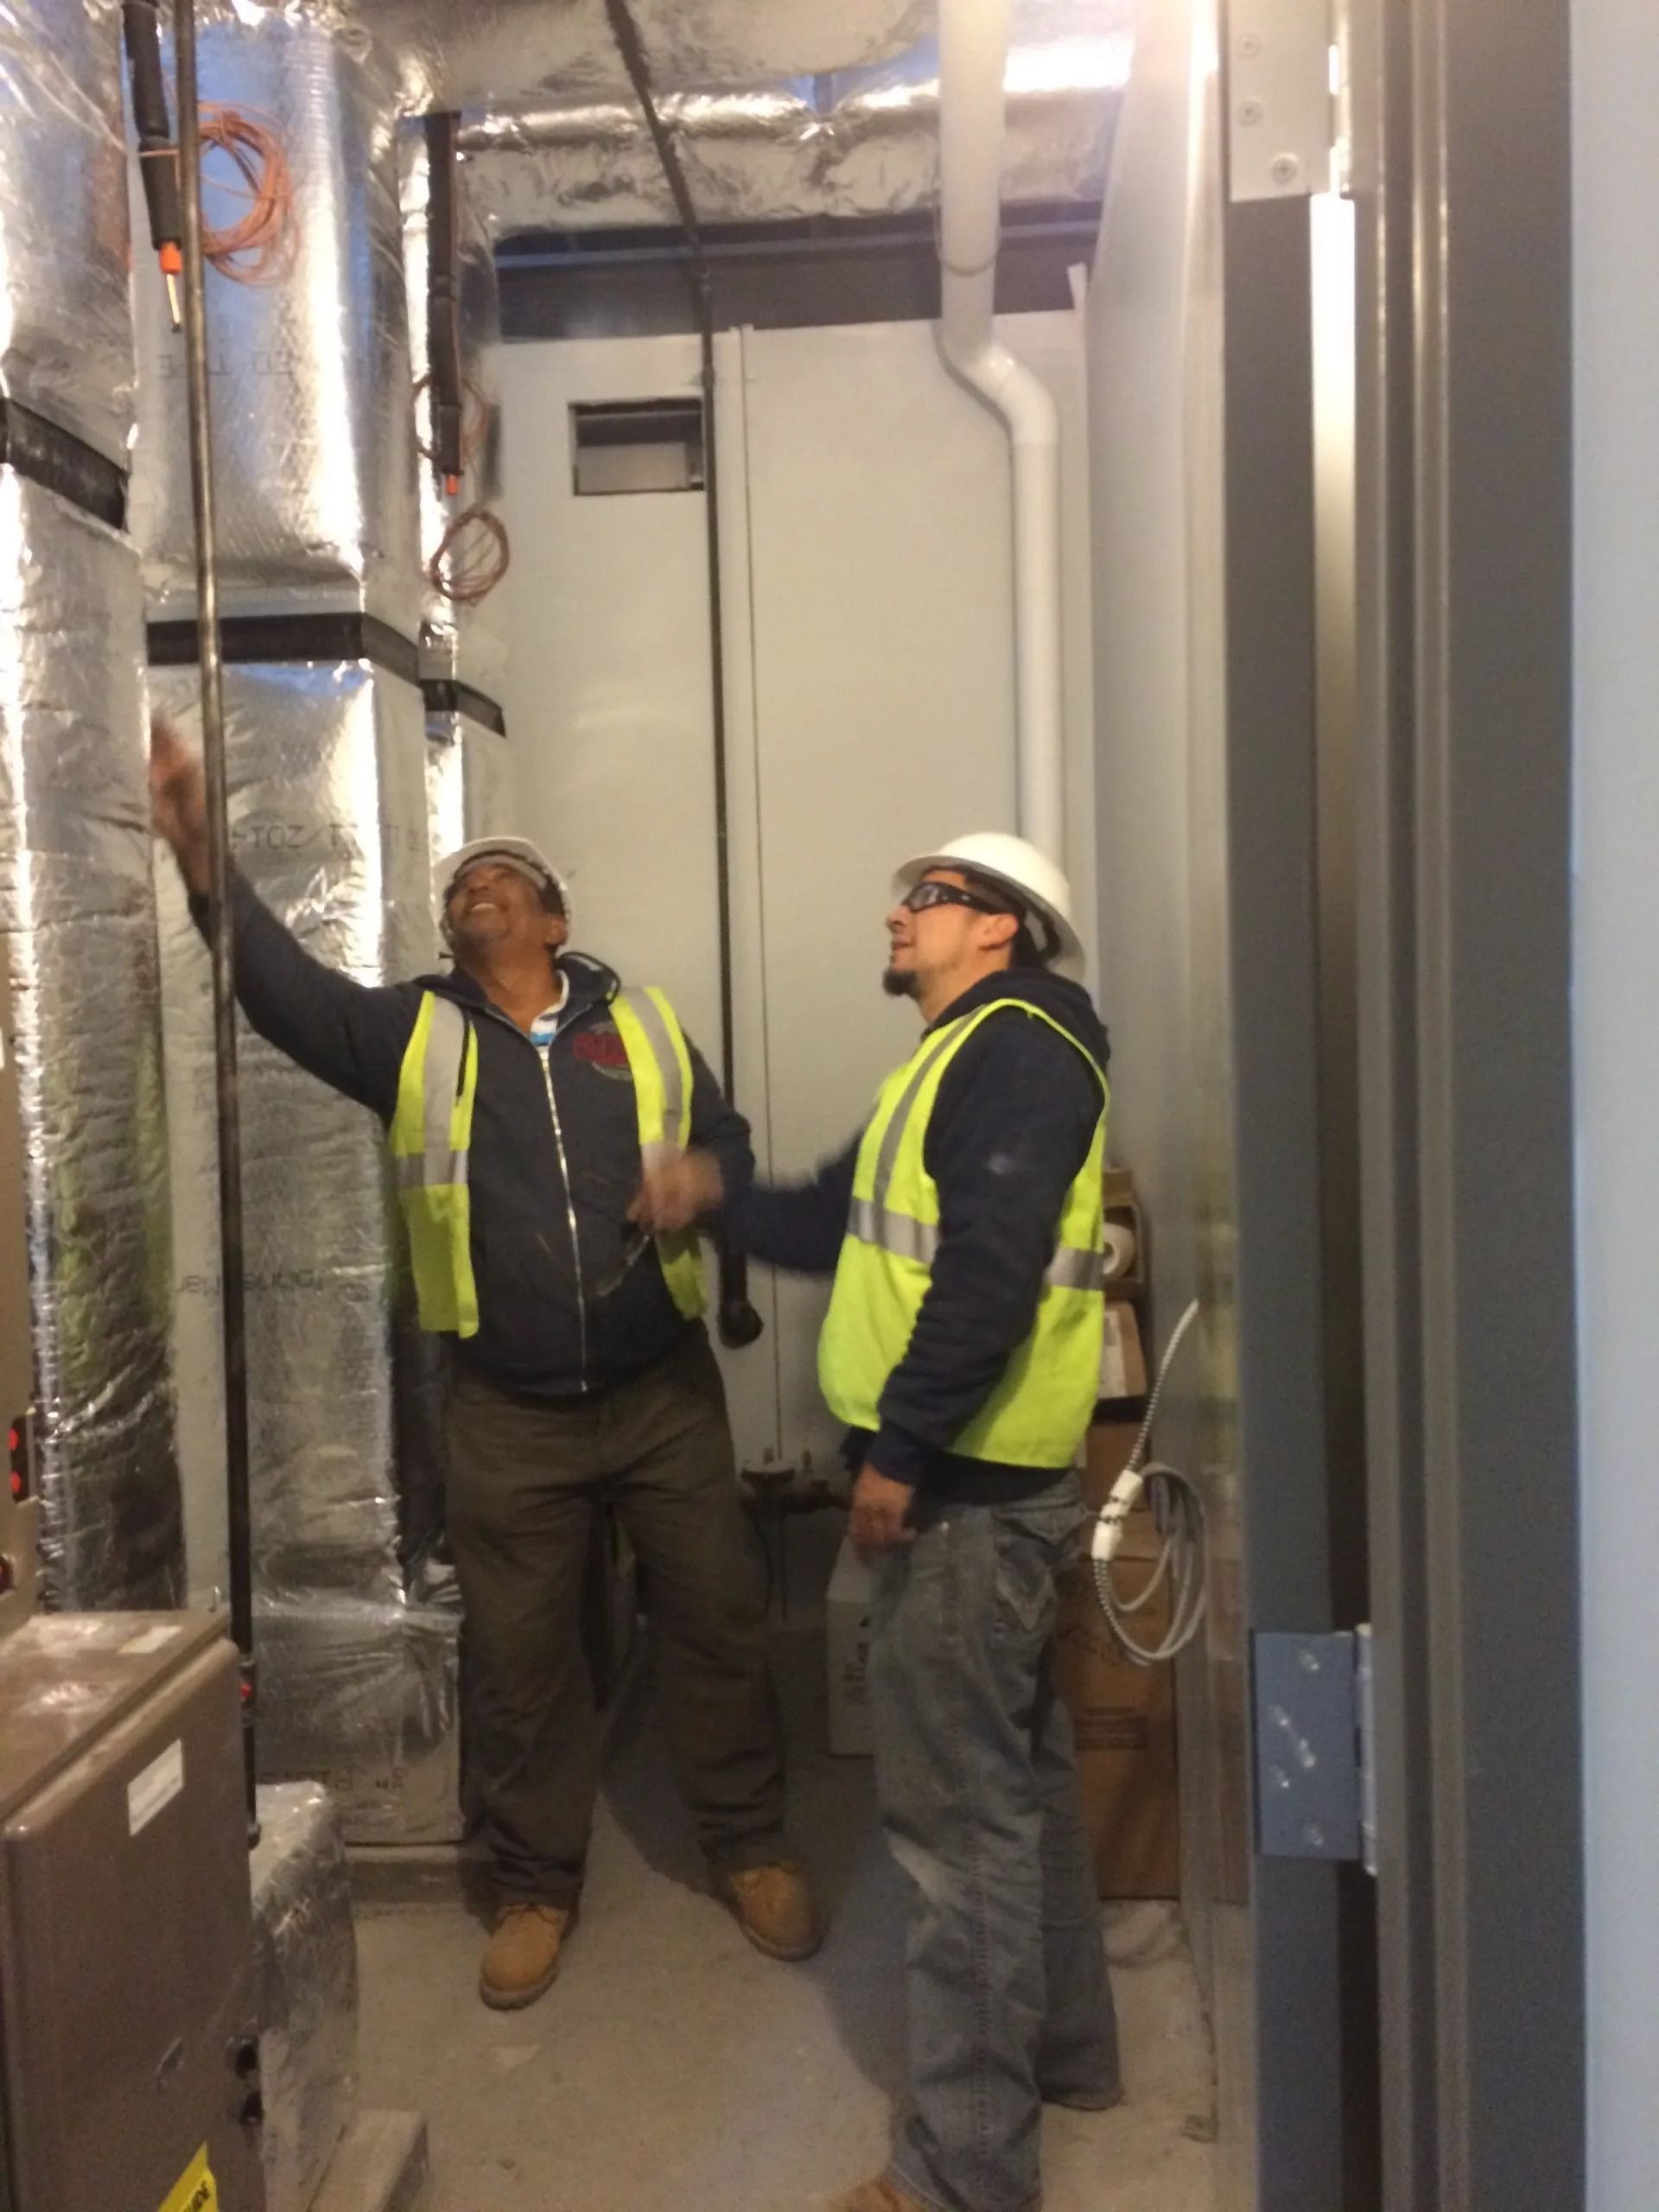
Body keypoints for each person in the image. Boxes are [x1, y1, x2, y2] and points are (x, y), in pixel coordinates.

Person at [149, 717, 820, 2012]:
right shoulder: (411, 1034)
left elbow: (726, 1137)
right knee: (519, 1660)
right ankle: (533, 1886)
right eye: (464, 881)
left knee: (720, 1620)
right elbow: (277, 992)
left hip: (662, 1391)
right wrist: (202, 855)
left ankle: (749, 1844)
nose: (478, 885)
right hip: (509, 1412)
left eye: (505, 875)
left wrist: (708, 1178)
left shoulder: (649, 1026)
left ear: (555, 919)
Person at [639, 833, 1121, 2212]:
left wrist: (899, 1456)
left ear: (1002, 929)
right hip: (987, 1487)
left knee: (956, 1843)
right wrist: (713, 1193)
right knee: (1018, 1790)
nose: (898, 914)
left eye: (929, 898)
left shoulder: (1016, 1052)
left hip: (967, 1498)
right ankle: (1073, 2060)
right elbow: (844, 1218)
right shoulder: (958, 1056)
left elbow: (986, 1277)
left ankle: (966, 2173)